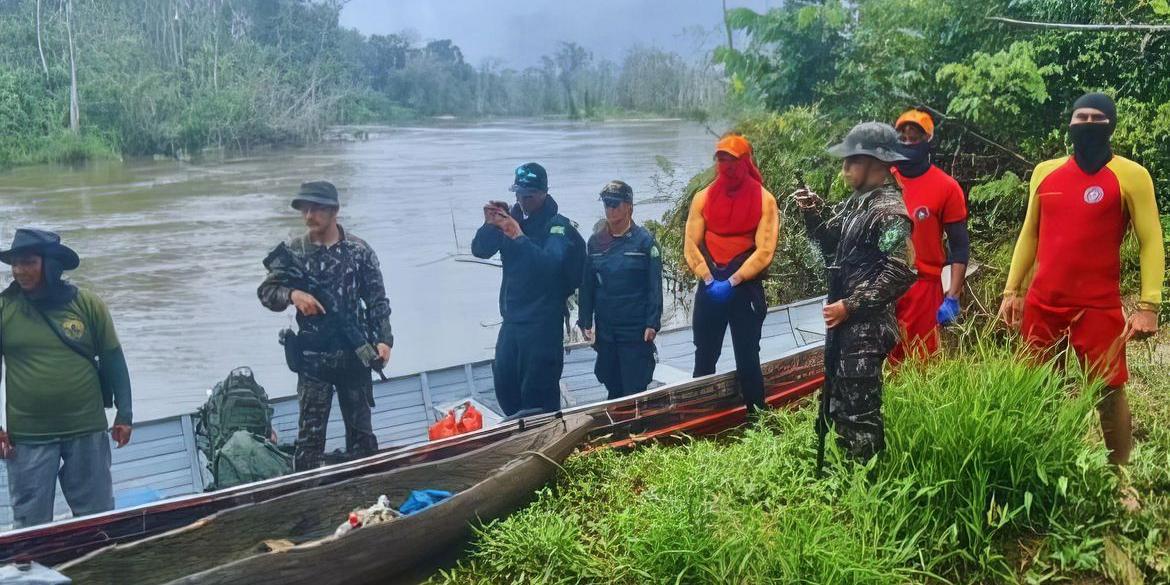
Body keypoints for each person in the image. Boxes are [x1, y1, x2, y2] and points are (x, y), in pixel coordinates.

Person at [999, 93, 1164, 466]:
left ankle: (1120, 476)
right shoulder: (1045, 172)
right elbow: (1030, 234)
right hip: (1043, 301)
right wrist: (1013, 290)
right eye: (1080, 117)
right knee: (1038, 387)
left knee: (1109, 392)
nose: (1086, 124)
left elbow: (1151, 240)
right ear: (1069, 124)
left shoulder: (1131, 176)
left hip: (1098, 305)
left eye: (1096, 118)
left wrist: (1148, 305)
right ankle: (1045, 462)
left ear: (1111, 124)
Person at [793, 122, 915, 461]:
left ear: (877, 163)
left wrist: (851, 305)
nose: (845, 170)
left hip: (866, 328)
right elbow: (833, 245)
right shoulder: (859, 203)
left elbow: (902, 269)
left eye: (852, 162)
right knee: (839, 406)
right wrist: (812, 213)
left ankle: (867, 489)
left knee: (860, 416)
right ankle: (846, 482)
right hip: (847, 327)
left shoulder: (888, 210)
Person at [0, 228, 133, 528]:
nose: (19, 271)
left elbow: (113, 358)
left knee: (97, 519)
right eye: (15, 263)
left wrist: (125, 413)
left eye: (29, 262)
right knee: (30, 525)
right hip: (29, 437)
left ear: (51, 264)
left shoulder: (87, 304)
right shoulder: (4, 309)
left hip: (86, 428)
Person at [258, 181, 393, 471]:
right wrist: (293, 295)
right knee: (309, 444)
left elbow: (377, 300)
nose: (308, 215)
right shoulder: (295, 252)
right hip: (313, 361)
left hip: (355, 355)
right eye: (304, 209)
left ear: (334, 211)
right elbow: (266, 293)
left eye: (316, 208)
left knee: (362, 441)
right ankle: (308, 502)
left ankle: (369, 495)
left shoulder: (359, 251)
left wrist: (384, 340)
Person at [472, 163, 585, 416]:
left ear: (544, 193)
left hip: (543, 324)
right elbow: (479, 250)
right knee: (506, 388)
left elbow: (550, 267)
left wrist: (519, 238)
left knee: (538, 396)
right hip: (512, 321)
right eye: (518, 194)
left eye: (529, 195)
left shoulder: (558, 226)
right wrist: (490, 224)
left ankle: (550, 442)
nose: (522, 200)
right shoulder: (511, 221)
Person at [684, 134, 779, 413]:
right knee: (704, 354)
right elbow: (690, 242)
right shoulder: (703, 197)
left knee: (747, 356)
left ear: (745, 161)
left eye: (733, 159)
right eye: (721, 158)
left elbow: (764, 251)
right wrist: (708, 276)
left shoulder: (765, 200)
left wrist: (734, 280)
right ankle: (699, 416)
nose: (727, 165)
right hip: (711, 283)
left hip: (744, 287)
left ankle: (756, 417)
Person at [889, 108, 971, 363]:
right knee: (884, 367)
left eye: (915, 136)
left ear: (927, 141)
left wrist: (953, 297)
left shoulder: (946, 187)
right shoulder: (882, 181)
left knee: (921, 364)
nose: (908, 141)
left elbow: (959, 245)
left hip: (923, 287)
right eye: (903, 137)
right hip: (884, 288)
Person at [577, 180, 663, 399]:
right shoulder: (595, 242)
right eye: (607, 203)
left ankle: (636, 428)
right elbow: (587, 285)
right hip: (606, 328)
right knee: (611, 379)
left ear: (629, 206)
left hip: (634, 329)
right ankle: (616, 426)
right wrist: (585, 320)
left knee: (634, 385)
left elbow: (654, 286)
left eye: (615, 203)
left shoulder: (645, 243)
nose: (611, 209)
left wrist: (652, 323)